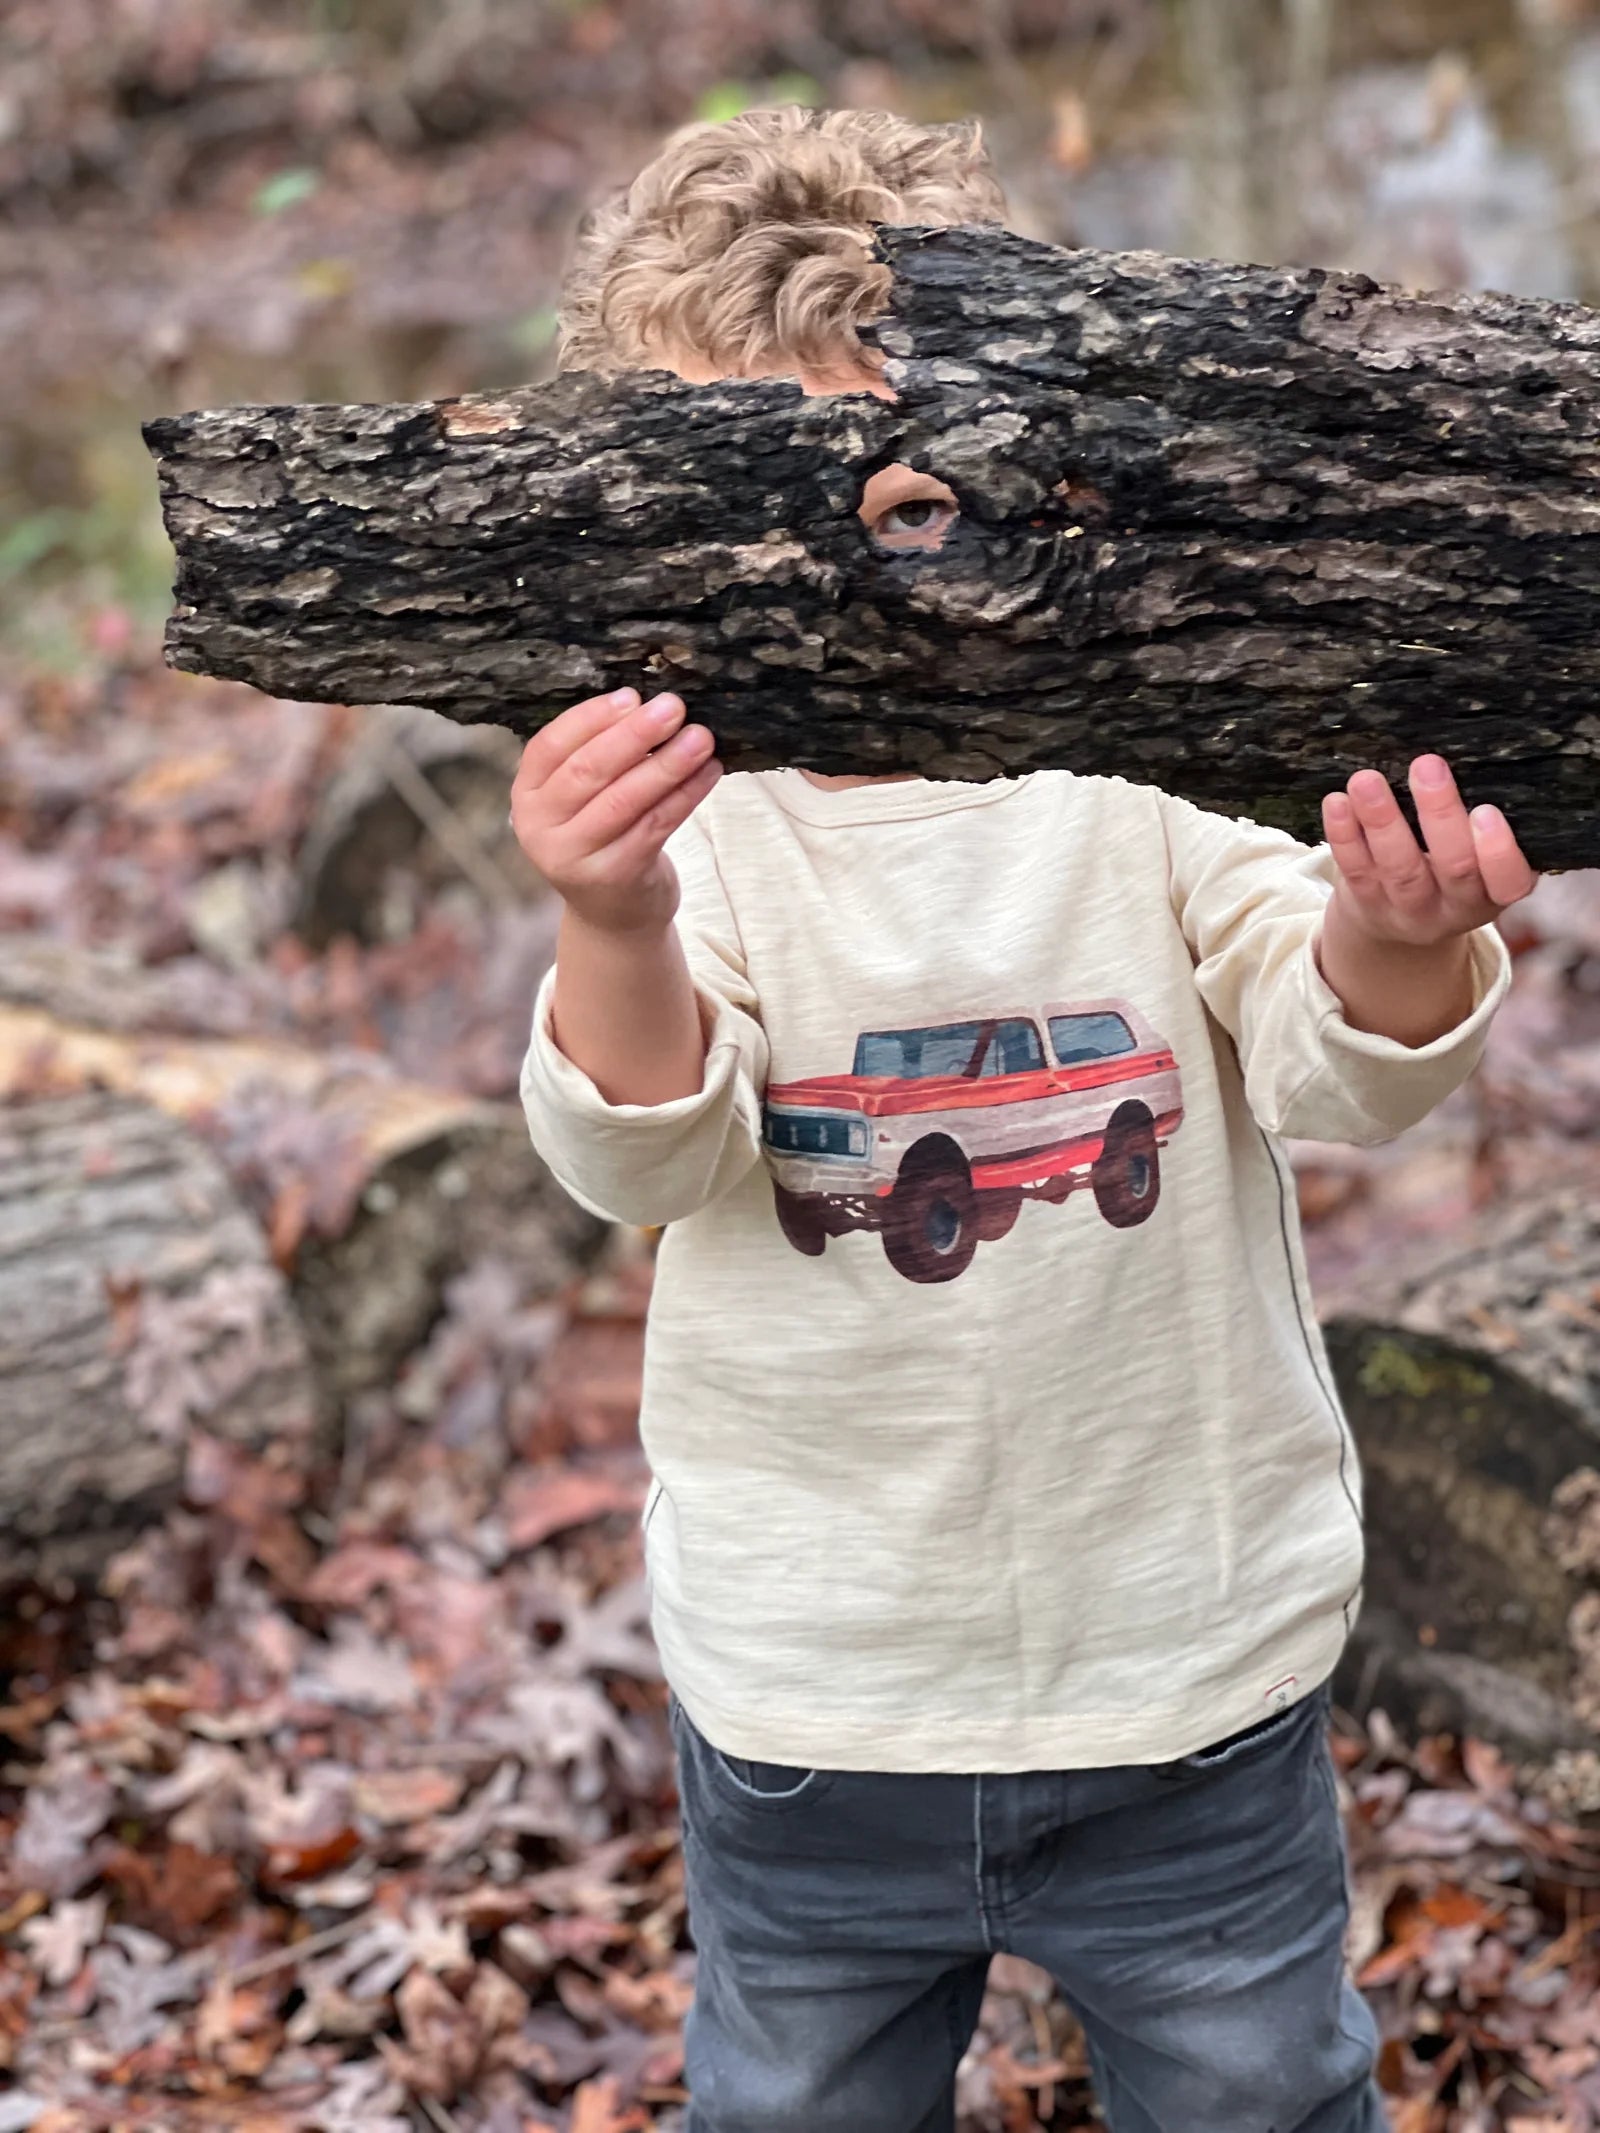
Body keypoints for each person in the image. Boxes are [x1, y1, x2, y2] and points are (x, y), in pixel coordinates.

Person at [515, 105, 1535, 2133]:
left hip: (1184, 1664)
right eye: (761, 513)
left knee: (1257, 2090)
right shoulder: (682, 814)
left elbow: (1337, 1061)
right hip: (817, 1687)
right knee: (791, 2104)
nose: (852, 573)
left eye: (902, 500)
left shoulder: (1142, 760)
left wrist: (1394, 933)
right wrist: (606, 915)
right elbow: (644, 1153)